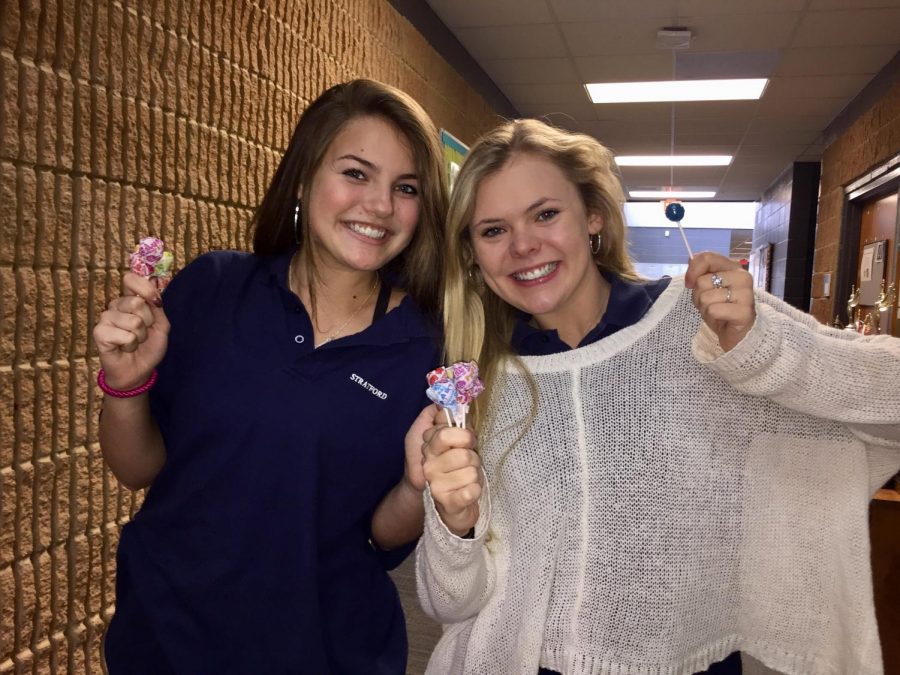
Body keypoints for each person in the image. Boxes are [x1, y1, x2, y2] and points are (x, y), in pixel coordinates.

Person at [415, 118, 900, 675]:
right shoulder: (474, 384)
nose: (524, 245)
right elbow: (448, 604)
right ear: (472, 253)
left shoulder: (704, 328)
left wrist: (765, 352)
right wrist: (454, 523)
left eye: (546, 214)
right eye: (493, 230)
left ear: (593, 216)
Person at [93, 79, 447, 673]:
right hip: (166, 638)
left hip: (324, 648)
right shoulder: (213, 288)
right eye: (356, 174)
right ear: (305, 180)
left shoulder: (427, 351)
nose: (381, 206)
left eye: (405, 188)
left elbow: (384, 538)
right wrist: (126, 384)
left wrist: (418, 485)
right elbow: (138, 469)